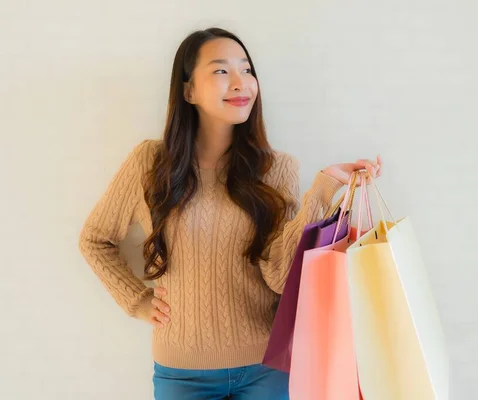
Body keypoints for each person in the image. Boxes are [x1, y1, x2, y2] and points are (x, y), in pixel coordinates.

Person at [78, 27, 382, 400]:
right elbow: (95, 240)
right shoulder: (149, 163)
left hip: (265, 368)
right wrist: (137, 301)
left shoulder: (276, 168)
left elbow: (280, 279)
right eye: (221, 71)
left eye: (247, 70)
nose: (241, 83)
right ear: (188, 91)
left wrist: (321, 190)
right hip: (181, 373)